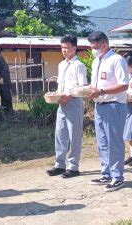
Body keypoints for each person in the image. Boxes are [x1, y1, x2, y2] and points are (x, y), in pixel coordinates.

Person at [87, 31, 129, 192]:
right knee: (102, 142)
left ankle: (117, 177)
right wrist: (88, 90)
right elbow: (95, 85)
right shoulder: (97, 62)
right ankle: (106, 173)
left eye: (94, 47)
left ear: (104, 45)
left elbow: (124, 84)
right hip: (100, 106)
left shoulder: (117, 60)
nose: (93, 50)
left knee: (114, 142)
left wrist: (102, 91)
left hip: (114, 105)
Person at [46, 34, 87, 178]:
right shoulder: (61, 64)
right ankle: (59, 164)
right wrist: (56, 94)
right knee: (60, 134)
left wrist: (68, 97)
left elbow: (82, 88)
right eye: (62, 47)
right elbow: (60, 86)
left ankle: (73, 166)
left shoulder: (79, 66)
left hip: (74, 102)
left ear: (74, 48)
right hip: (61, 103)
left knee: (74, 135)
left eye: (67, 48)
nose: (64, 50)